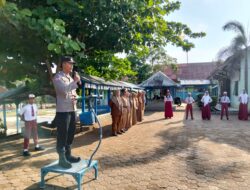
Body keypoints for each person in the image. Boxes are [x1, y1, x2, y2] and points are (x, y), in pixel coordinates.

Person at [53, 56, 81, 168]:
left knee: (70, 133)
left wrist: (76, 97)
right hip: (63, 111)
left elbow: (73, 92)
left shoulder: (69, 78)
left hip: (72, 109)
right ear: (64, 64)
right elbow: (64, 90)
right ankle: (62, 159)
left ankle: (68, 155)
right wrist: (75, 81)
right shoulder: (57, 77)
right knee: (62, 134)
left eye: (72, 63)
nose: (72, 65)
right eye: (70, 63)